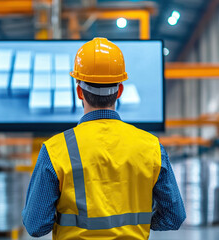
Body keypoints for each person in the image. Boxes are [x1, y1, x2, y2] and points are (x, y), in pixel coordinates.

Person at [22, 37, 186, 239]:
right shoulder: (151, 147)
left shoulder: (55, 150)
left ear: (79, 92)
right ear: (120, 92)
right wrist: (139, 223)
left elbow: (35, 225)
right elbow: (174, 216)